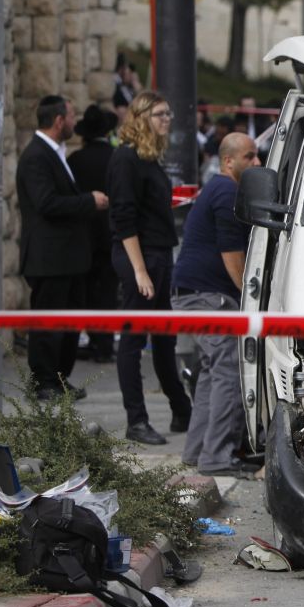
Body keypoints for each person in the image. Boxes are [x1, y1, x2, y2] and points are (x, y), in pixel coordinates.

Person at [108, 90, 194, 445]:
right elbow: (123, 218)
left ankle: (181, 409)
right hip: (139, 256)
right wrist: (140, 270)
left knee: (164, 337)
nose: (167, 120)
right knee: (133, 340)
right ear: (142, 117)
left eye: (169, 113)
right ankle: (136, 419)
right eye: (160, 114)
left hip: (159, 253)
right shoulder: (125, 159)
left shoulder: (148, 158)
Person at [175, 133, 260, 478]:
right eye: (249, 157)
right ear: (228, 161)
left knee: (212, 374)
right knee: (228, 372)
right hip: (208, 297)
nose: (256, 163)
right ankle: (217, 457)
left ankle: (198, 453)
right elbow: (232, 257)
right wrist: (249, 301)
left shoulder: (218, 188)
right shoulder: (226, 191)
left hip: (196, 294)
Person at [17, 95, 109, 399]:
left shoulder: (54, 153)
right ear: (59, 121)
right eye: (71, 116)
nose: (74, 122)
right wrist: (88, 201)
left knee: (68, 323)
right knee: (48, 323)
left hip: (67, 259)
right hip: (49, 259)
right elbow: (45, 203)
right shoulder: (35, 157)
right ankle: (42, 381)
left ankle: (58, 378)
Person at [68, 104, 119, 363]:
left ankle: (90, 337)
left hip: (84, 236)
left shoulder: (75, 161)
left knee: (86, 291)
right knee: (108, 291)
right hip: (112, 236)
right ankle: (106, 344)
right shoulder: (116, 157)